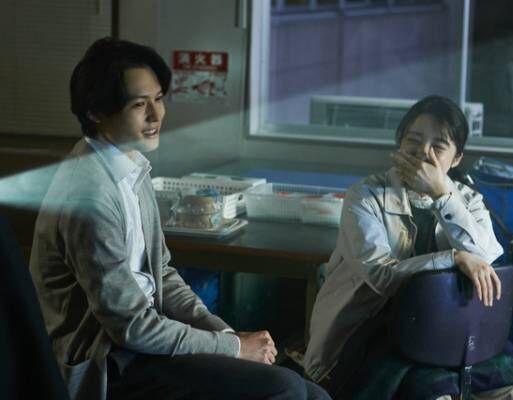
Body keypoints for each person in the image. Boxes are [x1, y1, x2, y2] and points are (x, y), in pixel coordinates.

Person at [29, 37, 330, 400]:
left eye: (158, 99)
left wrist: (226, 336)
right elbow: (131, 327)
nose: (156, 115)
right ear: (96, 113)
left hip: (146, 341)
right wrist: (234, 348)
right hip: (110, 359)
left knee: (314, 394)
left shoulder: (130, 166)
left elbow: (163, 274)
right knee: (285, 389)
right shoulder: (88, 194)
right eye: (139, 104)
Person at [303, 95, 513, 399]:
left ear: (456, 158)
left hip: (446, 331)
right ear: (399, 144)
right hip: (375, 332)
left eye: (438, 146)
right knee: (432, 394)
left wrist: (442, 195)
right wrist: (453, 258)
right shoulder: (364, 196)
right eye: (413, 141)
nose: (423, 153)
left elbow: (485, 257)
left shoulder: (468, 201)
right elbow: (380, 276)